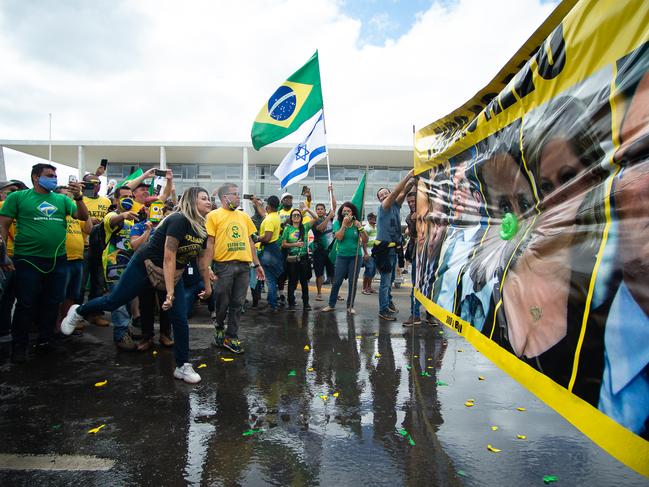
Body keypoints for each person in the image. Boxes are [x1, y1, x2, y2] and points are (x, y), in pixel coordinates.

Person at [61, 187, 213, 384]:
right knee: (114, 300)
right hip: (145, 265)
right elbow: (169, 257)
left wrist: (208, 286)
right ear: (192, 201)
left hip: (173, 273)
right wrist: (170, 293)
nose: (208, 201)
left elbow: (202, 261)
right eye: (203, 198)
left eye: (209, 198)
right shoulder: (178, 220)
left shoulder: (201, 228)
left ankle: (183, 366)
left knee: (180, 319)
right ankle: (79, 311)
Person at [0, 163, 88, 362]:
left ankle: (45, 341)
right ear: (35, 177)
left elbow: (82, 216)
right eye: (50, 175)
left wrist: (80, 197)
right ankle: (19, 347)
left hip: (58, 260)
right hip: (27, 259)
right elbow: (3, 226)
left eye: (55, 176)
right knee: (25, 303)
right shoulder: (18, 198)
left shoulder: (61, 200)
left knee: (52, 302)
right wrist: (3, 255)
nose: (54, 179)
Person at [203, 183, 265, 354]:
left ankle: (232, 336)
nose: (238, 197)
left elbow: (251, 242)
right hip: (224, 266)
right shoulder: (213, 216)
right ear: (225, 197)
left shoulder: (244, 217)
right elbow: (210, 243)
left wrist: (257, 264)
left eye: (238, 194)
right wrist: (207, 267)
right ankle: (219, 326)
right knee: (222, 300)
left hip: (244, 267)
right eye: (235, 194)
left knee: (238, 303)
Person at [130, 201, 173, 351]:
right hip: (143, 270)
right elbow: (135, 246)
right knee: (146, 305)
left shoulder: (167, 226)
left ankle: (165, 334)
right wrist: (147, 231)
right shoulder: (138, 226)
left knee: (165, 304)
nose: (156, 210)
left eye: (159, 208)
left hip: (163, 270)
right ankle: (147, 337)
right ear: (146, 210)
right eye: (153, 207)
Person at [375, 169, 414, 321]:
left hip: (394, 249)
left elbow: (403, 192)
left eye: (386, 193)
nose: (384, 195)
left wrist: (413, 182)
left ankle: (388, 302)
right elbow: (397, 191)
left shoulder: (396, 206)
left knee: (390, 280)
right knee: (385, 282)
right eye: (381, 195)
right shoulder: (384, 207)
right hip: (384, 249)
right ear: (380, 200)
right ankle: (382, 309)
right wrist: (408, 175)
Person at [54, 186, 92, 332]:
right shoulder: (56, 212)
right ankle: (55, 325)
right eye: (64, 195)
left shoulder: (74, 212)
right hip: (63, 258)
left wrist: (81, 203)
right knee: (58, 295)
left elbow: (88, 229)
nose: (67, 198)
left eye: (69, 195)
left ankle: (65, 322)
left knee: (72, 294)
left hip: (78, 258)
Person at [321, 202, 368, 314]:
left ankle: (350, 306)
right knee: (337, 281)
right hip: (342, 256)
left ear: (353, 212)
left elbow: (365, 240)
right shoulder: (337, 223)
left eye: (348, 211)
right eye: (344, 211)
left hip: (356, 257)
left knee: (353, 282)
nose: (346, 213)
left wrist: (360, 228)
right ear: (341, 213)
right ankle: (331, 304)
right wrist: (344, 225)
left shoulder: (357, 223)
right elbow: (339, 237)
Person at [81, 172, 112, 327]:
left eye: (98, 182)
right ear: (84, 184)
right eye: (92, 182)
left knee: (98, 282)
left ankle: (95, 313)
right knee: (79, 285)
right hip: (82, 247)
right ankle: (77, 314)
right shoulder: (78, 200)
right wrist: (88, 219)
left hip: (100, 247)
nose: (96, 185)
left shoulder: (106, 201)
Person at [281, 208, 313, 311]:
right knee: (292, 281)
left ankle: (306, 303)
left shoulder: (305, 227)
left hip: (303, 258)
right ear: (291, 217)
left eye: (298, 215)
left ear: (301, 217)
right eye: (294, 215)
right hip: (292, 259)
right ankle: (291, 303)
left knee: (304, 282)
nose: (296, 217)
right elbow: (283, 244)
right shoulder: (287, 229)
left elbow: (316, 218)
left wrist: (307, 209)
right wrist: (295, 244)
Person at [311, 185, 336, 301]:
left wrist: (331, 192)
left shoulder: (329, 217)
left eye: (322, 209)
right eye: (318, 209)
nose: (320, 210)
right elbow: (320, 228)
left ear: (325, 210)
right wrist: (328, 217)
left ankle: (336, 293)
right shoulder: (314, 220)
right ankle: (319, 293)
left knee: (333, 274)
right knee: (319, 273)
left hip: (330, 250)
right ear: (316, 211)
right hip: (319, 250)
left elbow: (334, 207)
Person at [258, 195, 283, 311]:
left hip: (268, 248)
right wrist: (257, 204)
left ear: (268, 205)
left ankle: (272, 304)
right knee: (272, 278)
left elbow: (267, 237)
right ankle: (271, 301)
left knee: (270, 280)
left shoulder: (269, 219)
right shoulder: (275, 216)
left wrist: (257, 238)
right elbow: (264, 213)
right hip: (274, 248)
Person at [403, 191, 422, 326]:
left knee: (431, 285)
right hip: (418, 255)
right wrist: (415, 221)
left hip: (432, 255)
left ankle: (432, 315)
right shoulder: (410, 218)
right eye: (409, 202)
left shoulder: (429, 214)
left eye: (413, 201)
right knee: (415, 285)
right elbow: (414, 235)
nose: (411, 203)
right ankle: (415, 314)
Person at [361, 212, 377, 295]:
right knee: (369, 270)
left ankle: (369, 287)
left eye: (375, 218)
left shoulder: (376, 227)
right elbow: (364, 241)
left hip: (375, 253)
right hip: (369, 252)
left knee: (373, 271)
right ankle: (364, 288)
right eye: (373, 218)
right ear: (369, 219)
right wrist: (365, 253)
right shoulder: (366, 228)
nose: (375, 219)